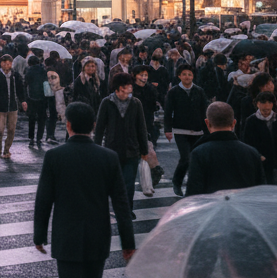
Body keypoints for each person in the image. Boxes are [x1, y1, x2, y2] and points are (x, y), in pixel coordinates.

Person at [33, 101, 136, 278]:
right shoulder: (107, 157)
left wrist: (39, 233)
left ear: (67, 125)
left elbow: (44, 198)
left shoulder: (55, 156)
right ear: (93, 126)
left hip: (66, 235)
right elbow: (121, 203)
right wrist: (128, 242)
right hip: (97, 234)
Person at [94, 72, 153, 217]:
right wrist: (96, 149)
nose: (131, 88)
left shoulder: (135, 103)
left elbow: (141, 127)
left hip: (131, 150)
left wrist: (144, 150)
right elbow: (100, 128)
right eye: (128, 85)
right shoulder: (107, 103)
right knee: (114, 183)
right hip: (112, 150)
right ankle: (116, 206)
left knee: (129, 184)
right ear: (120, 88)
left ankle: (126, 210)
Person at [185, 101, 265, 196]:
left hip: (213, 209)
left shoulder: (199, 153)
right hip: (243, 209)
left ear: (207, 123)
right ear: (233, 123)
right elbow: (261, 192)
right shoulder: (252, 153)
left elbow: (193, 194)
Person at [164, 64, 211, 197]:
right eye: (184, 74)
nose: (187, 77)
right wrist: (168, 129)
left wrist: (208, 128)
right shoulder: (173, 92)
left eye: (189, 74)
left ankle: (194, 187)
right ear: (179, 76)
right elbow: (168, 111)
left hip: (198, 131)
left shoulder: (199, 91)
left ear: (193, 76)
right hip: (180, 130)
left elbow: (205, 110)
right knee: (186, 158)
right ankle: (177, 181)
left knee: (196, 160)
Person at [240, 90, 277, 186]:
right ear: (257, 104)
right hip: (259, 163)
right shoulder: (251, 121)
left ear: (272, 105)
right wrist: (258, 156)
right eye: (263, 110)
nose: (266, 112)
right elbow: (247, 142)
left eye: (268, 110)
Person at [0, 53, 26, 159]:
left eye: (9, 63)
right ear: (1, 64)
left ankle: (6, 149)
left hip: (13, 106)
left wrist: (23, 101)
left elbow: (20, 89)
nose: (7, 66)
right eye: (4, 63)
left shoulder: (15, 76)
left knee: (11, 129)